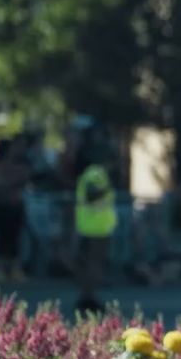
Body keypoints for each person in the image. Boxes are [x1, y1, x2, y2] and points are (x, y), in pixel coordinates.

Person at [72, 135, 117, 315]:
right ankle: (88, 298)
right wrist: (107, 188)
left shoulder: (94, 173)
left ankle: (87, 296)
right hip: (94, 228)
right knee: (93, 264)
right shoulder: (96, 173)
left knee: (91, 264)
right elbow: (92, 195)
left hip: (94, 227)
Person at [0, 136, 32, 283]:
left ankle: (15, 268)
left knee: (15, 238)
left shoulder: (22, 164)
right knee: (2, 237)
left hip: (16, 205)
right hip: (1, 205)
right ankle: (0, 268)